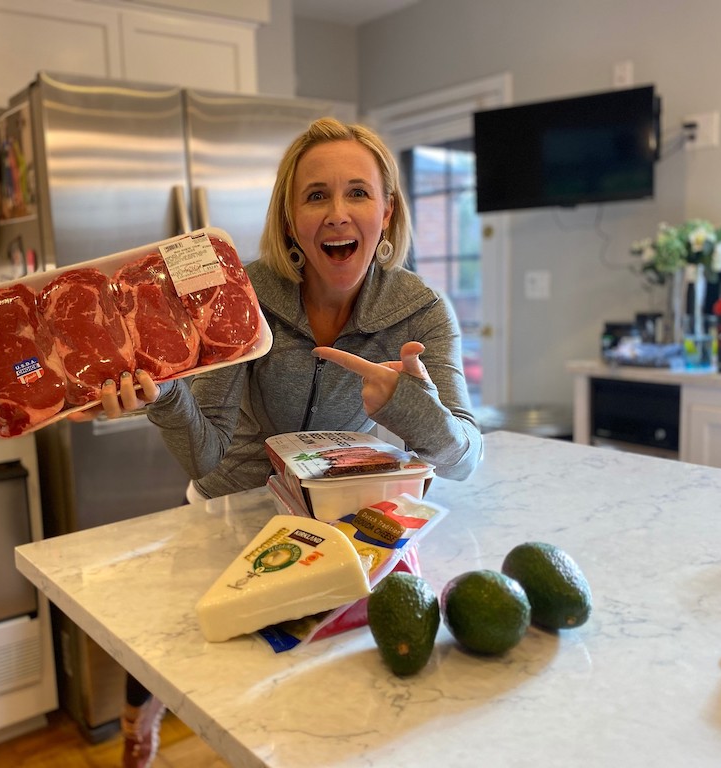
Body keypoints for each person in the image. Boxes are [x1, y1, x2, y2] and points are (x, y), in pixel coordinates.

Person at [90, 116, 483, 767]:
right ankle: (140, 717)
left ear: (387, 211)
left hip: (329, 513)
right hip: (231, 498)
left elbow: (466, 458)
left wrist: (416, 411)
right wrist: (163, 399)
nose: (337, 212)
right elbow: (209, 452)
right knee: (175, 641)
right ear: (291, 218)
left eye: (358, 192)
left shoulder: (421, 310)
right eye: (316, 195)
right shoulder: (238, 293)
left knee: (290, 677)